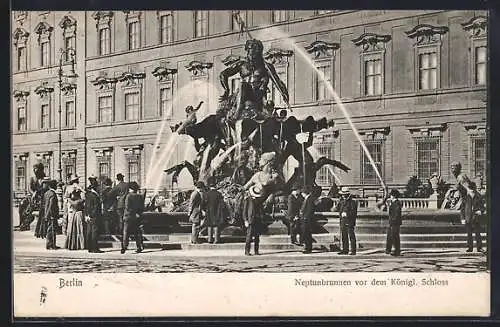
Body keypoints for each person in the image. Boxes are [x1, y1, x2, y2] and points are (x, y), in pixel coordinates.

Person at [450, 161, 478, 252]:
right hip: (466, 202)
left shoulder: (461, 177)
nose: (452, 169)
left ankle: (474, 246)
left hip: (469, 202)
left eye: (454, 167)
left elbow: (470, 191)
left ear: (459, 168)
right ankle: (472, 246)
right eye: (451, 167)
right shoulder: (459, 177)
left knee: (470, 223)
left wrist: (473, 205)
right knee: (469, 224)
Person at [377, 188, 403, 256]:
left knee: (395, 237)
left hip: (395, 223)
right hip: (392, 222)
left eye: (391, 195)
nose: (390, 196)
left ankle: (396, 251)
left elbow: (396, 214)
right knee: (390, 236)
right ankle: (388, 250)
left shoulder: (397, 203)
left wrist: (393, 221)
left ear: (393, 196)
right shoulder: (393, 203)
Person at [121, 181, 145, 254]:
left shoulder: (128, 196)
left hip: (128, 216)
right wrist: (137, 213)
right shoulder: (140, 196)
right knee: (137, 232)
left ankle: (124, 247)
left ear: (130, 188)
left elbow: (127, 207)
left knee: (126, 232)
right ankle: (139, 247)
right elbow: (142, 207)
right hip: (136, 217)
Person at [335, 186, 358, 255]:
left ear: (348, 194)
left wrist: (347, 214)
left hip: (349, 221)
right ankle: (345, 250)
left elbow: (354, 212)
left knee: (351, 236)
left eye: (344, 195)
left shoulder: (352, 202)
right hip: (342, 221)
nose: (343, 196)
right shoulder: (341, 201)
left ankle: (353, 250)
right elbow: (337, 209)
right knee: (344, 236)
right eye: (342, 194)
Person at [243, 184, 265, 255]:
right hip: (250, 220)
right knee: (249, 236)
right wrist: (245, 220)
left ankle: (256, 251)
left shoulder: (259, 200)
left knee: (257, 237)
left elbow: (261, 210)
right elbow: (244, 211)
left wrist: (261, 217)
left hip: (257, 220)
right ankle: (247, 251)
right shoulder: (248, 200)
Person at [300, 185, 321, 254]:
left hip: (307, 219)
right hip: (305, 219)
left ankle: (308, 248)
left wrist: (305, 217)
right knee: (306, 234)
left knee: (307, 234)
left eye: (302, 193)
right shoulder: (307, 199)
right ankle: (307, 247)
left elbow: (310, 210)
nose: (301, 194)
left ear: (304, 193)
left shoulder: (310, 199)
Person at [85, 181, 104, 253]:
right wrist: (91, 215)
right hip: (94, 216)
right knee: (94, 232)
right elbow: (95, 208)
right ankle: (95, 248)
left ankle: (89, 247)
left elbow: (86, 206)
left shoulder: (88, 195)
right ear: (96, 187)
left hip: (89, 216)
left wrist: (87, 215)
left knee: (89, 231)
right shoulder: (95, 196)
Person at [467, 182, 485, 253]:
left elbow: (483, 207)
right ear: (468, 189)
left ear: (475, 189)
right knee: (469, 233)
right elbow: (462, 209)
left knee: (477, 233)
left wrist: (481, 211)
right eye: (470, 189)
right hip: (468, 218)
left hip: (476, 217)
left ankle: (479, 247)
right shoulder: (466, 197)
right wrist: (462, 218)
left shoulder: (478, 196)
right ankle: (469, 247)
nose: (472, 190)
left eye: (473, 189)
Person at [43, 179, 60, 250]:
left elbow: (45, 205)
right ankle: (51, 245)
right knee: (52, 229)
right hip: (52, 215)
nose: (57, 186)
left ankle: (49, 244)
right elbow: (51, 205)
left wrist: (46, 214)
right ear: (54, 186)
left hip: (47, 214)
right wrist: (52, 215)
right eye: (56, 185)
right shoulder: (53, 194)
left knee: (49, 229)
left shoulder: (46, 193)